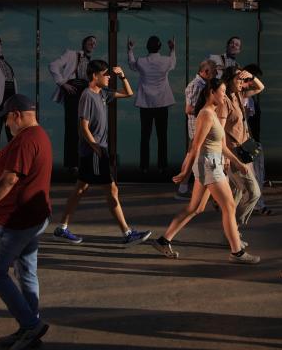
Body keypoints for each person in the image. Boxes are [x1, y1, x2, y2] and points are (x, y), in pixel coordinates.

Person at [151, 78, 260, 264]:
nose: (224, 96)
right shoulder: (206, 114)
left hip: (212, 164)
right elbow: (196, 146)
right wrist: (185, 173)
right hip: (209, 165)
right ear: (212, 92)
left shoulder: (213, 114)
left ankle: (163, 240)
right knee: (229, 206)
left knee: (196, 208)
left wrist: (237, 162)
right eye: (222, 91)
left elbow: (221, 146)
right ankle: (237, 253)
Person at [0, 94, 53, 350]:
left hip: (15, 219)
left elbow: (11, 180)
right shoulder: (39, 135)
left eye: (7, 119)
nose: (6, 125)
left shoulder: (24, 140)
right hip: (33, 217)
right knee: (25, 270)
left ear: (16, 115)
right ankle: (28, 327)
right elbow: (17, 170)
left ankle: (30, 324)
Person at [52, 60, 152, 246]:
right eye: (105, 74)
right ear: (94, 76)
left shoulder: (103, 94)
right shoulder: (87, 96)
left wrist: (122, 76)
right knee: (111, 190)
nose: (108, 77)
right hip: (95, 152)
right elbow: (83, 126)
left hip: (97, 150)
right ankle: (127, 233)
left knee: (80, 190)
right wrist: (96, 148)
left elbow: (129, 93)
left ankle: (62, 228)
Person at [219, 65, 265, 229]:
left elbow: (260, 87)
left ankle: (230, 232)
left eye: (242, 79)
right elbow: (221, 131)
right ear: (230, 80)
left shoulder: (239, 95)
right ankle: (234, 229)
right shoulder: (224, 101)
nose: (242, 82)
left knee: (237, 192)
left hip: (244, 150)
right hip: (233, 152)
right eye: (239, 79)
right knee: (254, 192)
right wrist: (224, 156)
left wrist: (251, 76)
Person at [127, 35, 177, 172]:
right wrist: (172, 49)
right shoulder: (166, 61)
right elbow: (173, 63)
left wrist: (130, 50)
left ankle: (144, 167)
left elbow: (131, 65)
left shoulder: (141, 61)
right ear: (160, 47)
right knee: (162, 136)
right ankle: (162, 166)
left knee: (145, 136)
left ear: (147, 47)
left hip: (146, 104)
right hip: (162, 103)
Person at [49, 35, 97, 170]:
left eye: (94, 43)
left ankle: (83, 163)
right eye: (90, 42)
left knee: (86, 127)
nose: (92, 44)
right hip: (73, 92)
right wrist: (63, 83)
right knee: (72, 128)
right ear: (84, 43)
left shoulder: (91, 62)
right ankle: (72, 164)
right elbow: (53, 65)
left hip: (86, 92)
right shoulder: (71, 54)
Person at [176, 59, 218, 199]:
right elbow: (188, 109)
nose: (215, 75)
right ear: (205, 72)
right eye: (214, 72)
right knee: (191, 156)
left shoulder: (203, 84)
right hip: (197, 127)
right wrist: (207, 110)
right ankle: (182, 189)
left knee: (193, 156)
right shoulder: (196, 86)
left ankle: (186, 188)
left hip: (200, 126)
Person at [243, 63, 272, 214]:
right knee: (256, 174)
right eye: (253, 79)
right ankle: (258, 205)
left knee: (254, 174)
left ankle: (255, 204)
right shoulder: (244, 97)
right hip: (249, 142)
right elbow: (245, 122)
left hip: (250, 141)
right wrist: (251, 142)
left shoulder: (247, 98)